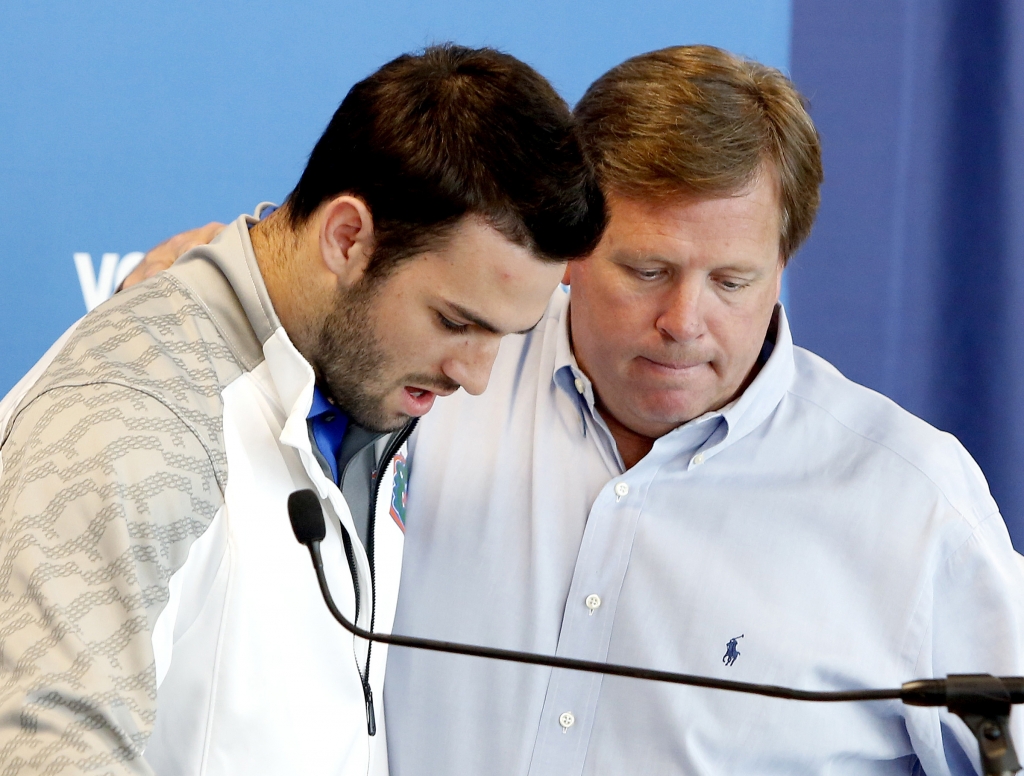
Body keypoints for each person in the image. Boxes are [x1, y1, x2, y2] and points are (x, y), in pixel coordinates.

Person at [384, 46, 1024, 775]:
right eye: (647, 270)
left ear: (783, 264)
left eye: (731, 280)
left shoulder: (915, 505)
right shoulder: (439, 383)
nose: (684, 321)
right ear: (570, 245)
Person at [0, 44, 603, 776]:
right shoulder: (133, 416)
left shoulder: (355, 367)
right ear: (347, 238)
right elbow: (40, 750)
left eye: (505, 336)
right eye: (455, 321)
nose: (475, 377)